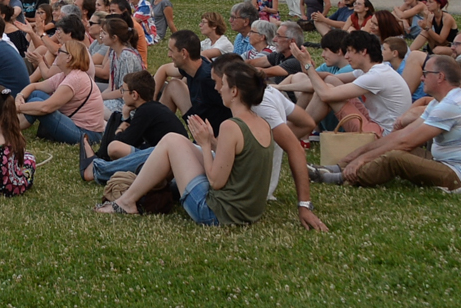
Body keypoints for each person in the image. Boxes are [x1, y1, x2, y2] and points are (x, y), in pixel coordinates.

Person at [100, 62, 278, 226]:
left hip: (215, 213)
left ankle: (126, 202)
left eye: (223, 84)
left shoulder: (231, 126)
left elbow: (216, 181)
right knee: (177, 141)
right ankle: (139, 192)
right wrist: (212, 141)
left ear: (234, 92)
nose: (218, 89)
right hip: (248, 212)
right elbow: (239, 161)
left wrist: (206, 145)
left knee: (171, 140)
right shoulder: (262, 123)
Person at [315, 55, 461, 191]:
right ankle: (338, 167)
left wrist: (362, 159)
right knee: (390, 146)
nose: (422, 78)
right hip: (446, 162)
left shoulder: (453, 104)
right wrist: (350, 157)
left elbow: (406, 142)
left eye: (425, 74)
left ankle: (342, 177)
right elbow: (400, 135)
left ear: (440, 77)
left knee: (395, 157)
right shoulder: (440, 101)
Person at [306, 29, 413, 134]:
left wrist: (307, 66)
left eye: (349, 51)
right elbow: (332, 78)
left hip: (384, 133)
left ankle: (300, 130)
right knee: (330, 82)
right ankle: (302, 129)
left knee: (329, 94)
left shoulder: (376, 76)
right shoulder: (374, 70)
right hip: (376, 123)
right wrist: (306, 67)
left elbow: (326, 95)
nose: (346, 56)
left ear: (363, 51)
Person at [17, 39, 107, 144]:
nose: (57, 54)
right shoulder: (65, 75)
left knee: (36, 100)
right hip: (76, 125)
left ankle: (9, 128)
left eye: (60, 51)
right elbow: (34, 86)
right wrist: (20, 96)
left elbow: (46, 107)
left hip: (87, 135)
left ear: (69, 57)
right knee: (36, 94)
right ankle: (11, 125)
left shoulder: (75, 79)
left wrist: (18, 107)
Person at [153, 29, 229, 128]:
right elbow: (163, 69)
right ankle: (154, 129)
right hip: (198, 118)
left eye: (171, 51)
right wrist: (151, 102)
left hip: (209, 133)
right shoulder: (192, 66)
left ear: (184, 53)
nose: (169, 55)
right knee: (173, 85)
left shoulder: (208, 80)